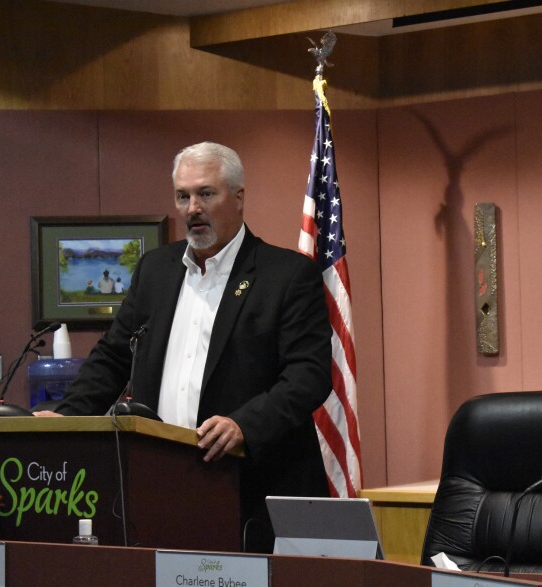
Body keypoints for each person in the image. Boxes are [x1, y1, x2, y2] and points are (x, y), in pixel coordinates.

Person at [35, 141, 333, 552]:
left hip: (250, 490)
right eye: (183, 196)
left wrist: (244, 424)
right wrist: (65, 420)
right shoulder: (156, 270)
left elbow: (309, 375)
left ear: (239, 197)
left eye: (206, 194)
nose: (193, 207)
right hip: (160, 485)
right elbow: (112, 358)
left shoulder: (286, 275)